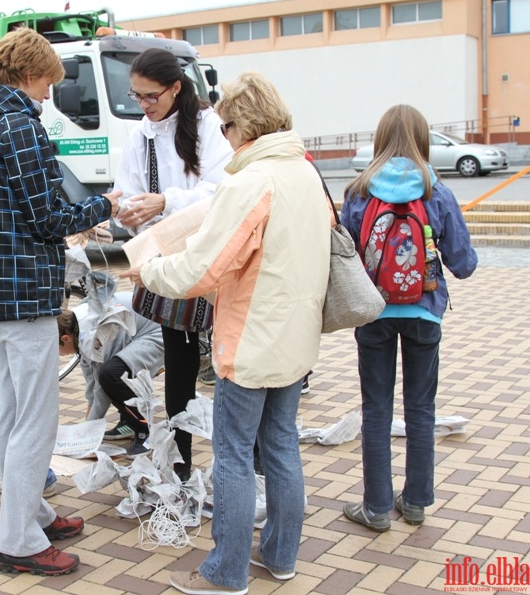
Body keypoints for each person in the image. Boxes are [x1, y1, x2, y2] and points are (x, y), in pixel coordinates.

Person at [122, 71, 330, 594]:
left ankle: (227, 570)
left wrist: (148, 270)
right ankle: (280, 557)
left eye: (227, 127)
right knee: (281, 445)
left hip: (252, 336)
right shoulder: (306, 174)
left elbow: (201, 271)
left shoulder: (250, 183)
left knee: (235, 452)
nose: (225, 138)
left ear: (244, 124)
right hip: (296, 337)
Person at [0, 27, 120, 577]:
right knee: (36, 421)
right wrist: (105, 205)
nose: (50, 95)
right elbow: (48, 218)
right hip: (26, 291)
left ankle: (33, 512)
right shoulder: (19, 126)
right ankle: (19, 541)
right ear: (29, 75)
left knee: (9, 410)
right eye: (48, 83)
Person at [339, 104, 477, 532]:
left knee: (376, 409)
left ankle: (376, 508)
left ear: (379, 139)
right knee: (420, 408)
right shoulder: (437, 191)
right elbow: (464, 264)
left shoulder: (359, 191)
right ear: (424, 139)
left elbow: (345, 258)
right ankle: (415, 502)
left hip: (374, 313)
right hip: (424, 314)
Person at [113, 48, 232, 479]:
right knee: (179, 368)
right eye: (137, 97)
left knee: (231, 365)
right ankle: (180, 465)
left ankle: (242, 465)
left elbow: (224, 190)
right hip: (168, 264)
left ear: (176, 88)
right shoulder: (139, 136)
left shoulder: (209, 126)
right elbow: (125, 190)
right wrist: (127, 211)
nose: (144, 106)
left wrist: (167, 201)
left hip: (216, 260)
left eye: (151, 96)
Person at [57, 273, 164, 446]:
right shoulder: (77, 327)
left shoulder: (94, 332)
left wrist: (87, 434)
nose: (59, 355)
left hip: (157, 332)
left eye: (57, 350)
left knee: (111, 374)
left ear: (65, 339)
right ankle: (129, 423)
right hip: (137, 330)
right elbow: (91, 379)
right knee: (111, 374)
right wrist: (88, 426)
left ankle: (145, 431)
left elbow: (101, 389)